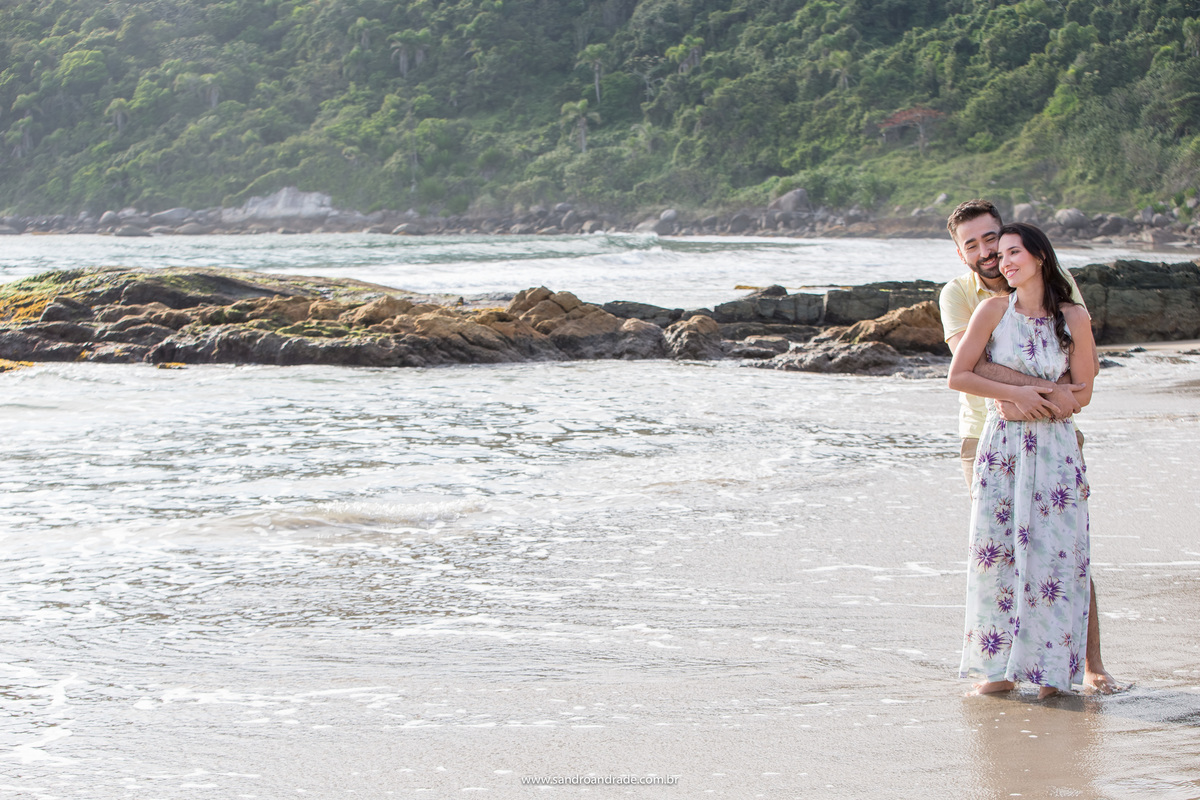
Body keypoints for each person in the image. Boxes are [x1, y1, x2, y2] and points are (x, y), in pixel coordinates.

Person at [940, 200, 1121, 694]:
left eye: (996, 242)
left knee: (1061, 550)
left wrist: (1049, 401)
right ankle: (998, 666)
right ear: (962, 254)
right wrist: (1022, 394)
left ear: (1033, 252)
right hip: (987, 438)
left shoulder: (1065, 299)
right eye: (974, 245)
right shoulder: (967, 298)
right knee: (999, 550)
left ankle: (1079, 665)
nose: (991, 254)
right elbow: (966, 365)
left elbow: (1085, 374)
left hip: (1057, 440)